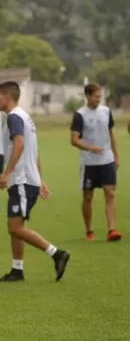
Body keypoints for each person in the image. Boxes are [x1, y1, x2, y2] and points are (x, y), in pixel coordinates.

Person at [0, 81, 71, 282]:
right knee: (16, 226)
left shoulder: (14, 118)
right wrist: (40, 180)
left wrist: (6, 173)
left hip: (21, 180)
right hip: (26, 180)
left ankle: (57, 253)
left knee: (15, 228)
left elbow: (20, 145)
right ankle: (17, 270)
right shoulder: (25, 117)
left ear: (7, 97)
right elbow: (33, 151)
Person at [70, 82, 122, 242]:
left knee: (110, 193)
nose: (99, 99)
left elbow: (111, 134)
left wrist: (116, 155)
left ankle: (112, 230)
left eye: (100, 96)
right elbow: (74, 140)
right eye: (96, 97)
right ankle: (89, 230)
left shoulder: (106, 111)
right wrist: (91, 148)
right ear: (88, 96)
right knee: (87, 197)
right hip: (89, 163)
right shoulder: (80, 115)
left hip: (107, 160)